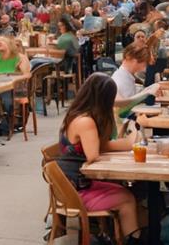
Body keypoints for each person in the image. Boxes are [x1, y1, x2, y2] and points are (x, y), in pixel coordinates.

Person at [56, 73, 143, 244]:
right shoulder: (86, 121)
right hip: (76, 191)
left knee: (127, 189)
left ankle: (126, 236)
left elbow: (99, 145)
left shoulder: (77, 114)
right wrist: (129, 141)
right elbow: (93, 154)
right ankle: (134, 240)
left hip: (73, 182)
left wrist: (128, 143)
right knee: (127, 198)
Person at [112, 43, 159, 111]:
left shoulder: (126, 75)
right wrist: (145, 93)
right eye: (144, 63)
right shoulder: (119, 79)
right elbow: (120, 104)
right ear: (130, 58)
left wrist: (146, 90)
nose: (144, 68)